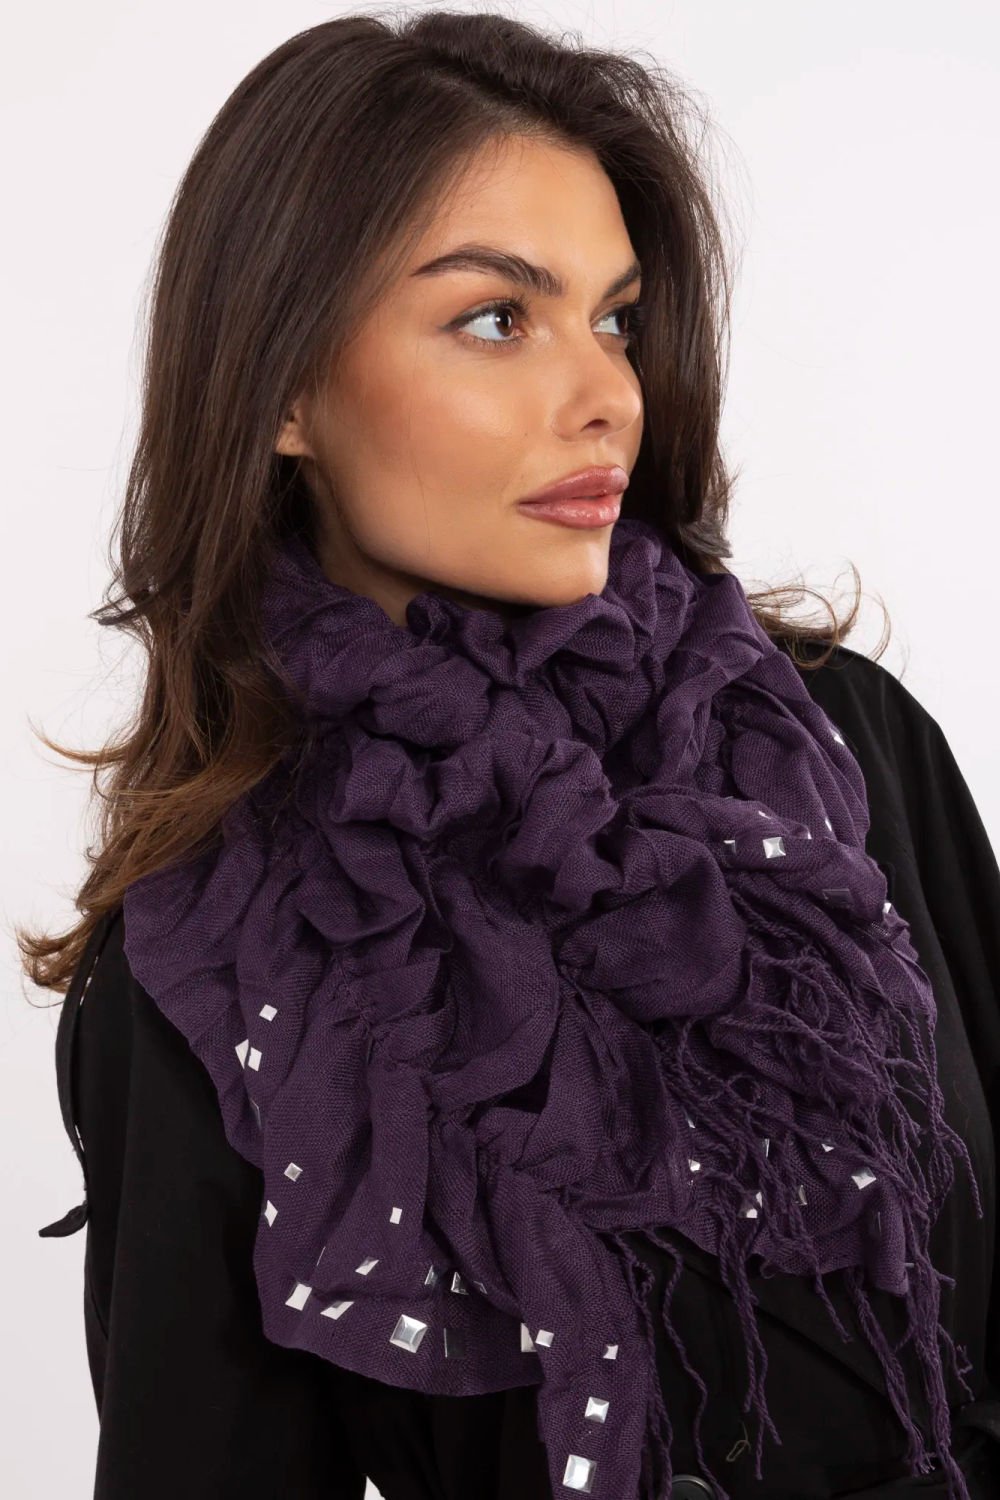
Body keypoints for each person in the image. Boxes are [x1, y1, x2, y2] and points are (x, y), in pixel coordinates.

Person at [21, 12, 999, 1499]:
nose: (608, 394)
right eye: (496, 319)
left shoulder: (838, 749)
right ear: (282, 392)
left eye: (616, 320)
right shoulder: (217, 960)